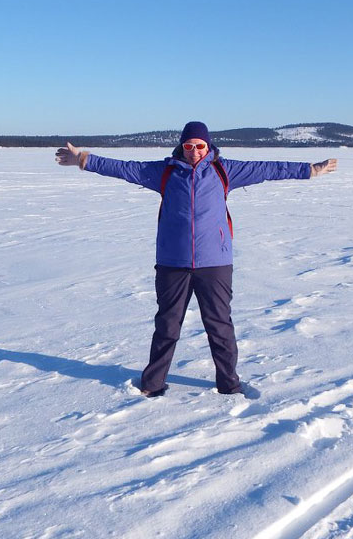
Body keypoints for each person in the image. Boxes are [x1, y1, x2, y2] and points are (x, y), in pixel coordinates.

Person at [56, 121, 337, 397]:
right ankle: (152, 384)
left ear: (208, 145)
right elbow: (125, 168)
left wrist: (309, 170)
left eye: (199, 146)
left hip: (214, 263)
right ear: (182, 146)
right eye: (189, 146)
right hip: (172, 263)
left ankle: (229, 385)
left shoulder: (224, 170)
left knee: (220, 327)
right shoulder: (163, 172)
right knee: (167, 326)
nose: (194, 151)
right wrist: (83, 159)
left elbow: (267, 169)